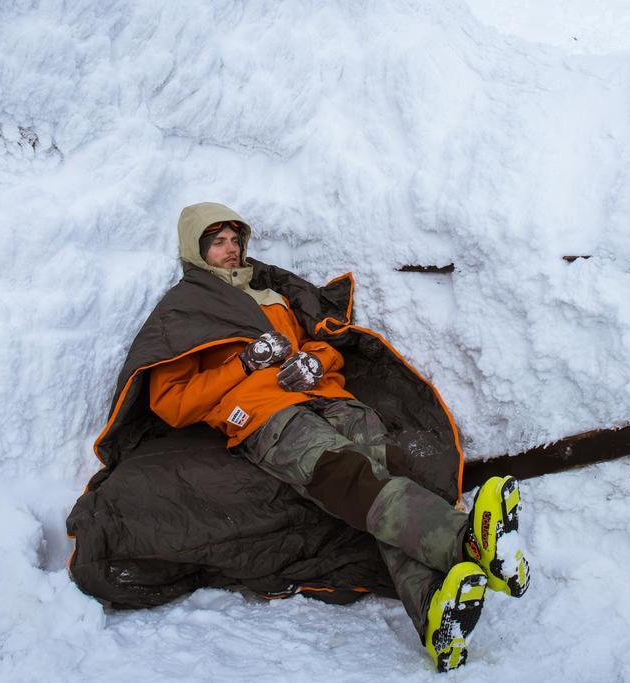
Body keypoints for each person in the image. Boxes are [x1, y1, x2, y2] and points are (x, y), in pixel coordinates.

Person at [70, 202, 530, 672]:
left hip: (328, 396)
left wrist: (316, 363)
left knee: (384, 473)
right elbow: (172, 404)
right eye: (217, 242)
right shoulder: (184, 308)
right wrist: (243, 363)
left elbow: (320, 346)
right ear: (196, 248)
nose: (230, 250)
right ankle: (465, 542)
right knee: (344, 473)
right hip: (265, 413)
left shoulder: (270, 295)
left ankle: (433, 606)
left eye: (235, 240)